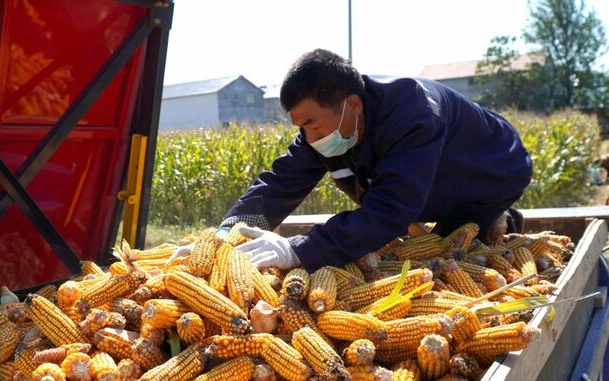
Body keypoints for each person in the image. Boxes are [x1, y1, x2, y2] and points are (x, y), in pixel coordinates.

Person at [188, 49, 534, 272]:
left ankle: (495, 216)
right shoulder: (327, 127)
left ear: (353, 105)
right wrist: (226, 233)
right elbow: (281, 182)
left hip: (493, 169)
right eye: (300, 126)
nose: (308, 138)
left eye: (311, 123)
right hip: (428, 179)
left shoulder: (413, 113)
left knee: (451, 249)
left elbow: (389, 212)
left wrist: (298, 250)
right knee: (423, 249)